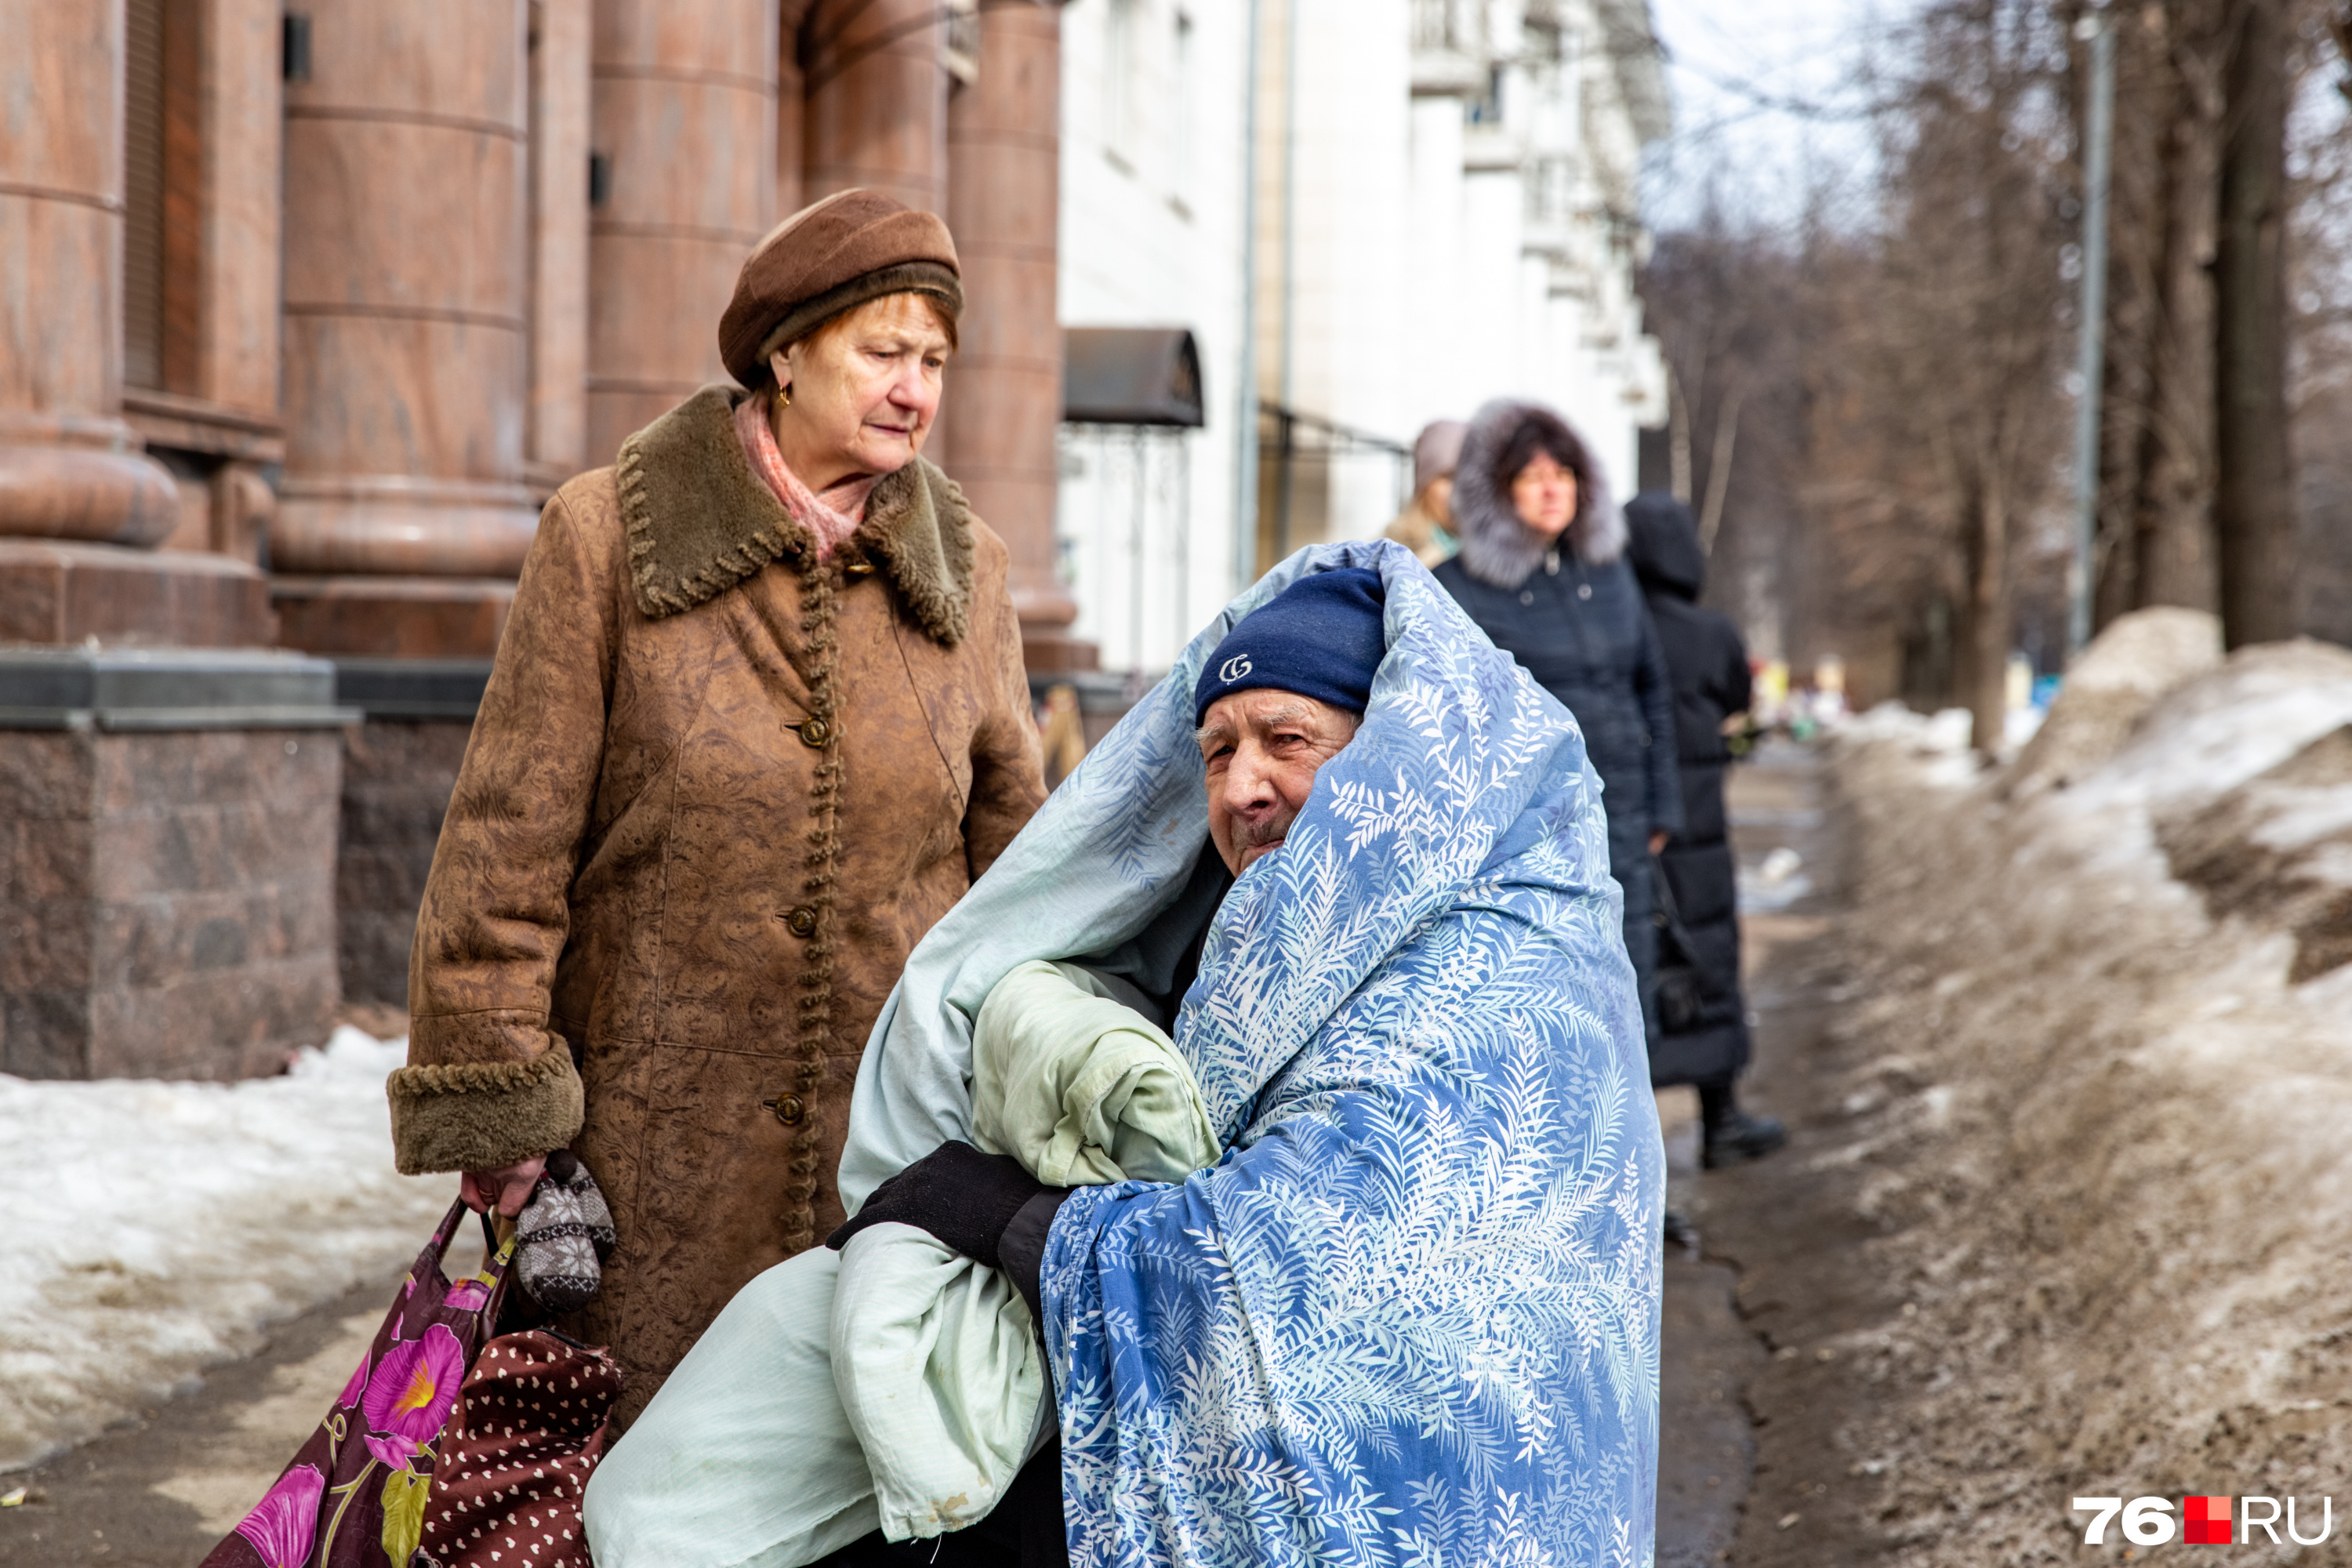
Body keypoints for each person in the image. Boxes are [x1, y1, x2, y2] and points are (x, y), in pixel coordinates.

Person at [583, 551, 1664, 1568]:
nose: (1243, 786)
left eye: (1287, 741)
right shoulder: (1266, 952)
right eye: (1216, 752)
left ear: (1387, 754)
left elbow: (1310, 1277)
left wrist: (994, 1213)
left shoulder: (1492, 978)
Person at [383, 187, 1048, 1426]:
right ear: (785, 355)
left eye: (935, 361)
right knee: (627, 1505)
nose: (915, 390)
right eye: (883, 353)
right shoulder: (605, 539)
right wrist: (513, 1132)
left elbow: (1021, 872)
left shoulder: (973, 575)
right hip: (643, 1176)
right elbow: (504, 850)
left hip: (886, 1173)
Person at [1433, 399, 1682, 1036]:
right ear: (1498, 489)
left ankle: (1626, 1131)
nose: (1552, 489)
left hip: (1621, 815)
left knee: (1624, 989)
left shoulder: (1609, 573)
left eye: (1564, 474)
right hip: (1525, 826)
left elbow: (1652, 686)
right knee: (1541, 1002)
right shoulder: (1456, 587)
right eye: (1533, 476)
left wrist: (1663, 808)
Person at [1624, 493, 1786, 1167]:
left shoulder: (1617, 626)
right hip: (1700, 824)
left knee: (1636, 971)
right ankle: (1721, 1121)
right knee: (1709, 957)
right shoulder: (1712, 632)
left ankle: (1637, 1148)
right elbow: (1736, 703)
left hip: (1633, 827)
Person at [1381, 419, 1468, 565]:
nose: (1459, 490)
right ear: (1424, 484)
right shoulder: (1391, 548)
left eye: (1467, 477)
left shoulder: (1496, 550)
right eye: (1449, 477)